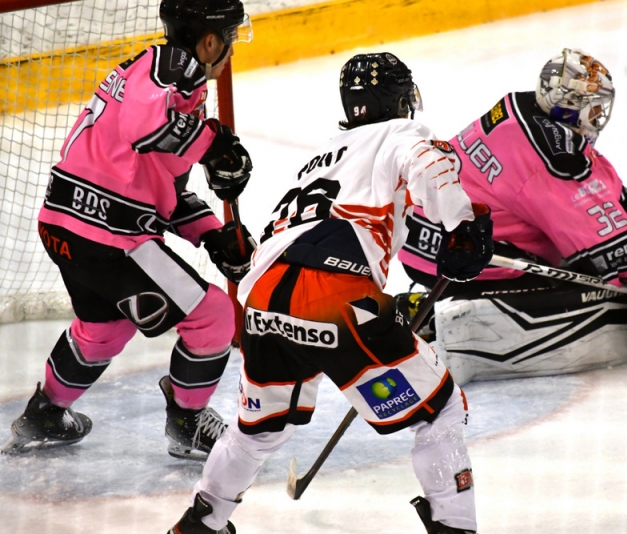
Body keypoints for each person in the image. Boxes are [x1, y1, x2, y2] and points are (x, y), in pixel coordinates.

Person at [167, 52, 492, 534]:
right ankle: (455, 526)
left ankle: (200, 524)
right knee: (440, 411)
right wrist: (464, 225)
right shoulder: (401, 134)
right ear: (399, 98)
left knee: (257, 430)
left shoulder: (323, 156)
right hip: (332, 294)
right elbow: (431, 162)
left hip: (260, 301)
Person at [1, 0, 256, 460]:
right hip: (109, 236)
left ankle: (45, 413)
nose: (232, 51)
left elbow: (159, 188)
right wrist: (212, 145)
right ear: (211, 41)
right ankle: (188, 422)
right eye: (232, 39)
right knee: (214, 317)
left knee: (103, 328)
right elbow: (145, 130)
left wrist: (211, 234)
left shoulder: (153, 82)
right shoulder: (175, 67)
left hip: (65, 226)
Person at [398, 48, 627, 383]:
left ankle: (429, 304)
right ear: (570, 106)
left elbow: (578, 189)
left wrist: (622, 204)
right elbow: (603, 246)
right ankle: (440, 320)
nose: (598, 116)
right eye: (593, 107)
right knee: (588, 288)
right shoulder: (553, 159)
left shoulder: (520, 111)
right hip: (455, 253)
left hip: (422, 237)